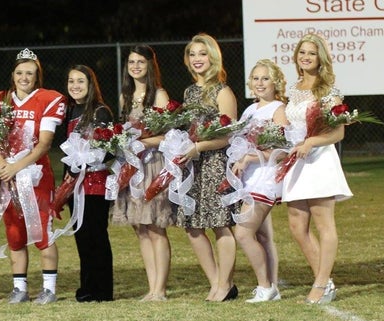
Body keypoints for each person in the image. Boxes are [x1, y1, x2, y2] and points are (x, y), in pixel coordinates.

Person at [0, 48, 66, 304]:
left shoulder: (48, 98)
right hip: (9, 175)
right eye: (20, 72)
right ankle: (19, 288)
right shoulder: (1, 100)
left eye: (29, 73)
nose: (24, 77)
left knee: (42, 230)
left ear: (37, 76)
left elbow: (44, 144)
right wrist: (1, 162)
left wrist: (17, 166)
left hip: (36, 176)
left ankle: (49, 288)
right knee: (14, 231)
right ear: (13, 74)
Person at [281, 33, 352, 304]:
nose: (306, 57)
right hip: (297, 162)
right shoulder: (294, 88)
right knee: (297, 226)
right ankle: (325, 280)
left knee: (324, 224)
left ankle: (321, 284)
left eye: (311, 53)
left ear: (320, 58)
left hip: (319, 160)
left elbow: (338, 134)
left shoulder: (328, 92)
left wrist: (312, 141)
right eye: (302, 53)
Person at [177, 34, 239, 302]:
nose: (197, 59)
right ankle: (216, 282)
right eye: (192, 54)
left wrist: (199, 147)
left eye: (202, 54)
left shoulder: (222, 92)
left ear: (212, 57)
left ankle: (225, 284)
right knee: (192, 226)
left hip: (215, 163)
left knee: (220, 225)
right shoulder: (189, 92)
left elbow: (229, 136)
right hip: (192, 166)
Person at [111, 45, 176, 302]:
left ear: (150, 65)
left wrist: (144, 142)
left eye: (140, 61)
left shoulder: (158, 95)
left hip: (152, 164)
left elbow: (169, 136)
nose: (135, 66)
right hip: (131, 166)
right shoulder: (125, 96)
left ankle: (160, 289)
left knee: (155, 226)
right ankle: (151, 287)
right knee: (140, 226)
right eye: (131, 62)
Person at [230, 59, 288, 303]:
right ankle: (272, 287)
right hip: (249, 178)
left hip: (264, 179)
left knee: (243, 233)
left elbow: (284, 150)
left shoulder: (278, 109)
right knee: (263, 237)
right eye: (256, 78)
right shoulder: (250, 110)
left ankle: (264, 286)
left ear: (275, 82)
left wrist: (249, 157)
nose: (260, 83)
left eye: (265, 78)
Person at [62, 64, 114, 302]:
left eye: (80, 81)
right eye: (71, 81)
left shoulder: (100, 111)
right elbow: (66, 151)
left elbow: (110, 150)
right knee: (82, 235)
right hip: (76, 183)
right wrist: (68, 174)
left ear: (90, 84)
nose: (75, 85)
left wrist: (88, 162)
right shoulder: (70, 111)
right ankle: (86, 288)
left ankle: (102, 290)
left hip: (96, 182)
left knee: (97, 235)